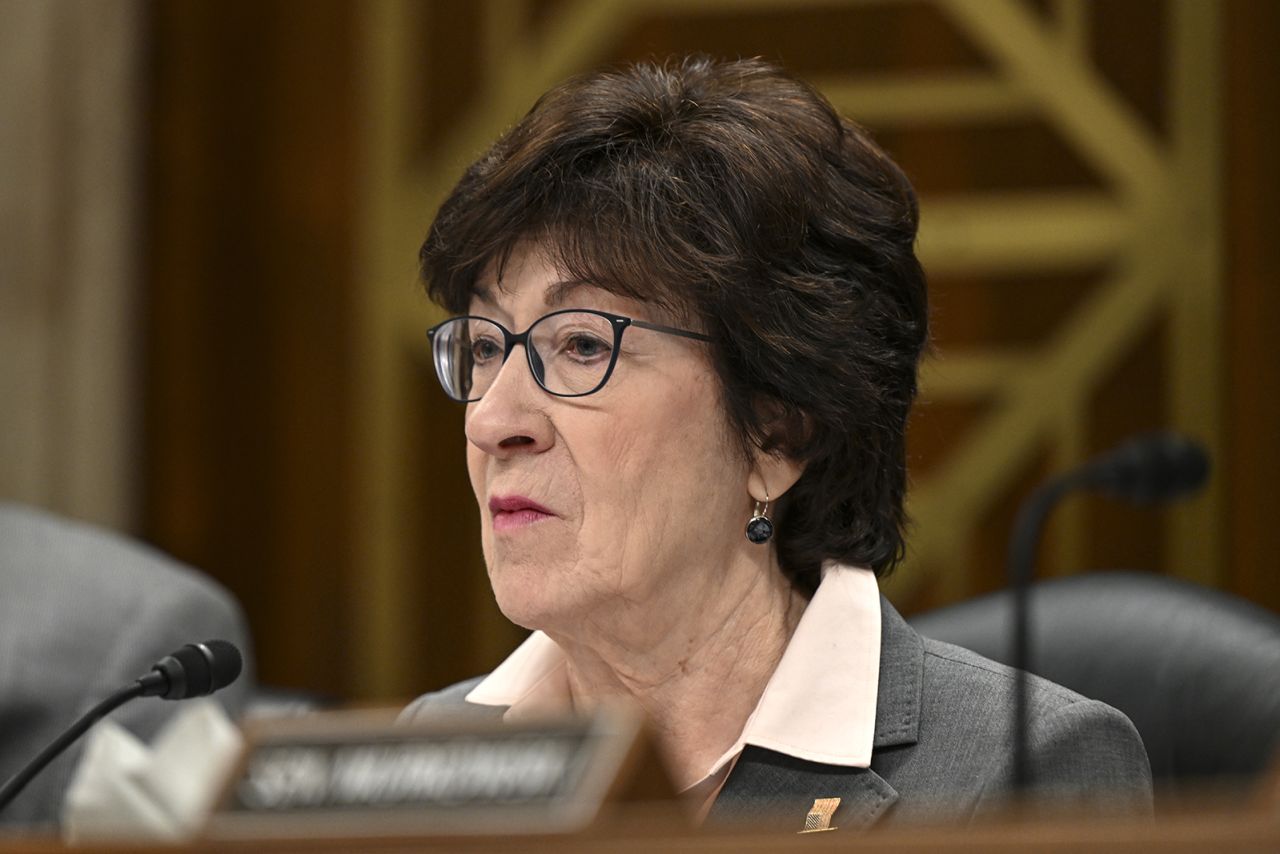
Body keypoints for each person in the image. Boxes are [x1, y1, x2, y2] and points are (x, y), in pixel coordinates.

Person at [402, 56, 1151, 829]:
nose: (493, 421)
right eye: (485, 346)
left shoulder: (1022, 774)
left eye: (584, 346)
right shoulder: (427, 756)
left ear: (777, 430)